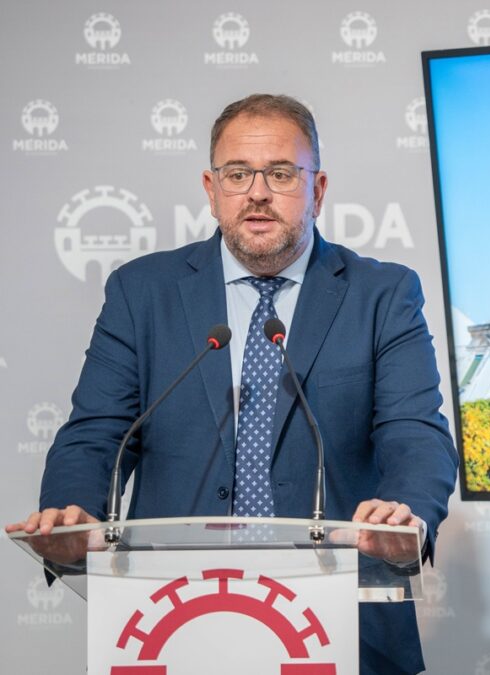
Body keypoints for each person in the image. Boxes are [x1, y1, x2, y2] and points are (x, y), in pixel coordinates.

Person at [4, 94, 458, 674]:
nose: (257, 192)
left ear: (317, 190)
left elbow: (415, 433)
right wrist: (71, 511)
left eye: (281, 173)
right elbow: (96, 434)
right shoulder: (142, 292)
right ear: (211, 188)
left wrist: (407, 512)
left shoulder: (382, 294)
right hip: (173, 617)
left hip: (343, 618)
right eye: (237, 173)